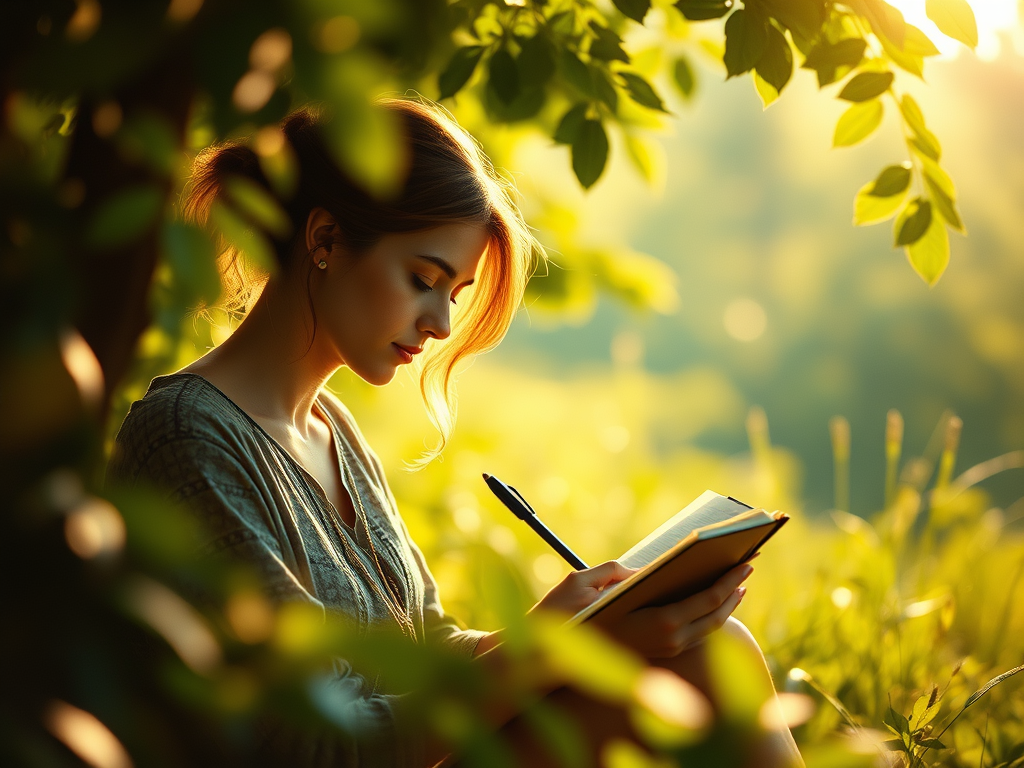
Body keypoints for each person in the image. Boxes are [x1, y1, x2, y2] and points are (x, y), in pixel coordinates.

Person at [106, 97, 802, 767]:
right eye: (423, 279)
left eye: (454, 293)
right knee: (708, 667)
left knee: (714, 652)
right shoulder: (187, 439)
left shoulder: (331, 430)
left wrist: (568, 627)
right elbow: (308, 747)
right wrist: (556, 654)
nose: (441, 324)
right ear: (325, 240)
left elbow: (429, 651)